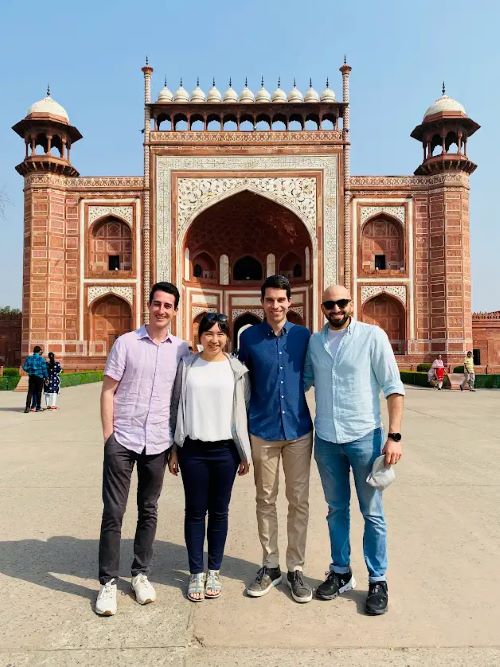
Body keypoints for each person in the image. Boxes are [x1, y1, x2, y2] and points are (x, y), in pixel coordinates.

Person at [304, 284, 405, 616]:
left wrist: (394, 436)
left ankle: (378, 579)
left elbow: (393, 387)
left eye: (342, 302)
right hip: (328, 439)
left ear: (351, 304)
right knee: (336, 509)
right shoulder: (315, 343)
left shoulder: (372, 337)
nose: (336, 308)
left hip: (364, 437)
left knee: (372, 512)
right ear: (322, 307)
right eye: (329, 304)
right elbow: (300, 381)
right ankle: (341, 572)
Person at [95, 282, 190, 616]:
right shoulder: (126, 343)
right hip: (123, 438)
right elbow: (108, 391)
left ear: (176, 310)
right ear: (148, 306)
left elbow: (182, 398)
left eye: (168, 305)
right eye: (157, 304)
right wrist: (109, 437)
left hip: (158, 441)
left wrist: (175, 444)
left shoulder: (182, 350)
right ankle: (107, 582)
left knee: (148, 509)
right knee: (114, 511)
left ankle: (139, 574)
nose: (161, 310)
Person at [239, 275, 313, 603]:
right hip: (263, 430)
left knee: (298, 501)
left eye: (281, 300)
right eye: (270, 300)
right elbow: (239, 385)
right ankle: (270, 565)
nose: (276, 305)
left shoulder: (304, 337)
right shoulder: (249, 338)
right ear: (262, 303)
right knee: (265, 499)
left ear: (290, 302)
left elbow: (315, 377)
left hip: (298, 430)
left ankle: (295, 567)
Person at [168, 312, 251, 602]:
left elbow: (244, 410)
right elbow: (175, 405)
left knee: (219, 512)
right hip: (193, 449)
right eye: (209, 333)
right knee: (194, 511)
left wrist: (244, 451)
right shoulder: (187, 366)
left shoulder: (237, 369)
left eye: (220, 334)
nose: (214, 339)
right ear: (199, 336)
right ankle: (195, 572)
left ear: (228, 337)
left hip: (226, 450)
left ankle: (214, 569)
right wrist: (174, 449)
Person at [22, 345, 48, 413]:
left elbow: (24, 367)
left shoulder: (29, 358)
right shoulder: (41, 359)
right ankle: (38, 407)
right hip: (39, 376)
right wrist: (46, 377)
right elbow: (44, 369)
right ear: (39, 351)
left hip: (32, 376)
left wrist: (29, 371)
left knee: (30, 392)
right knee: (38, 392)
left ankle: (27, 407)